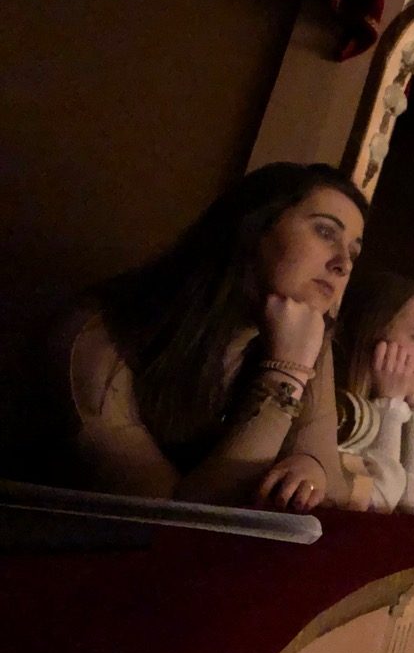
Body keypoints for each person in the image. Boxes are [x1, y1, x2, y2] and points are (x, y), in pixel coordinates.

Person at [41, 162, 367, 510]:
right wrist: (284, 374)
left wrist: (311, 466)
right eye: (325, 232)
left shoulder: (308, 335)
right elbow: (171, 516)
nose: (343, 264)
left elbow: (329, 484)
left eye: (353, 252)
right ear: (253, 228)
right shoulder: (100, 333)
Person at [334, 270, 414, 515]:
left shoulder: (394, 407)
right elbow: (380, 502)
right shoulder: (336, 404)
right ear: (373, 333)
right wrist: (390, 405)